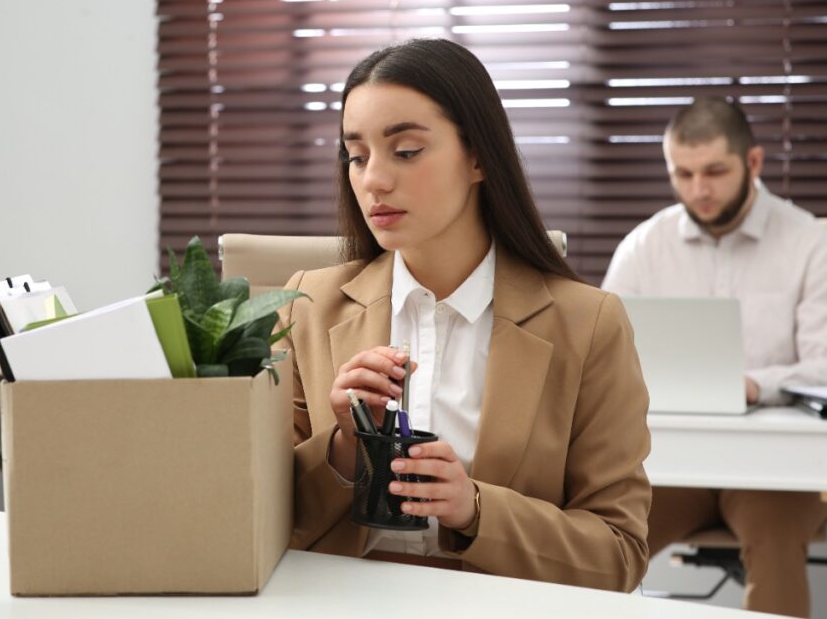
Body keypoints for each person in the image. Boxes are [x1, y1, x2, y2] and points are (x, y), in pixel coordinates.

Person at [276, 38, 651, 592]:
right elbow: (251, 519)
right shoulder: (306, 307)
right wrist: (343, 450)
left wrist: (475, 509)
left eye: (405, 151)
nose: (374, 179)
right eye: (356, 156)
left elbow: (618, 556)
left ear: (478, 156)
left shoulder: (588, 324)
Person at [602, 96, 827, 617]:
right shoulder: (643, 246)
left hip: (774, 468)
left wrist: (757, 385)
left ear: (753, 163)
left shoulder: (810, 244)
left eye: (715, 170)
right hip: (671, 463)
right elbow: (600, 357)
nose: (700, 189)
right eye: (684, 173)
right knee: (597, 539)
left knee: (776, 542)